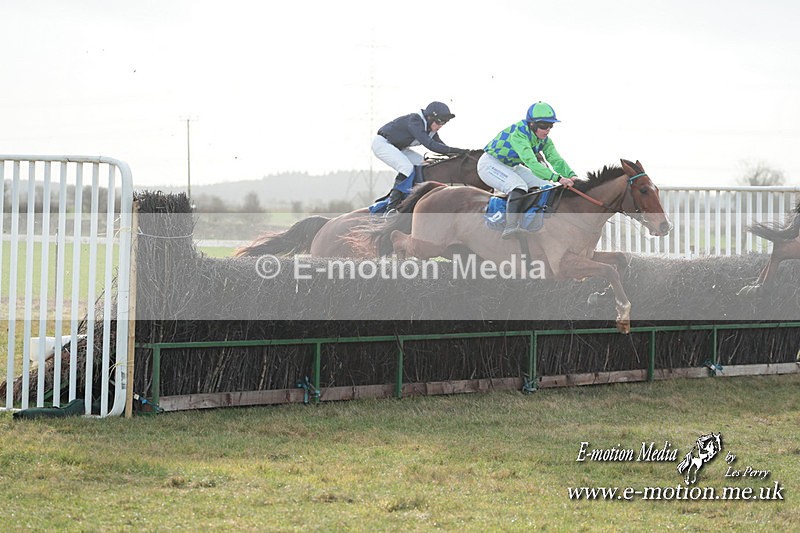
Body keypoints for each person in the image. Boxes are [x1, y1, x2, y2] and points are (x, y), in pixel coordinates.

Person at [478, 101, 578, 239]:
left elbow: (555, 159)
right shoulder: (519, 134)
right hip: (490, 164)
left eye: (551, 125)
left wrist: (572, 175)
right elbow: (531, 162)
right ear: (532, 124)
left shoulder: (544, 140)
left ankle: (531, 221)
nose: (548, 129)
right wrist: (559, 178)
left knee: (546, 186)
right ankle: (510, 226)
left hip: (511, 166)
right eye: (544, 125)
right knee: (519, 186)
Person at [372, 101, 467, 213]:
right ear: (430, 117)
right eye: (439, 122)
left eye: (444, 123)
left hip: (399, 148)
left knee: (424, 164)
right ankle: (391, 207)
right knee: (406, 168)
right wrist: (461, 151)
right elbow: (431, 145)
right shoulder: (415, 120)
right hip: (383, 144)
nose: (440, 126)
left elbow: (442, 147)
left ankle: (411, 199)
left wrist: (460, 155)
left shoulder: (430, 128)